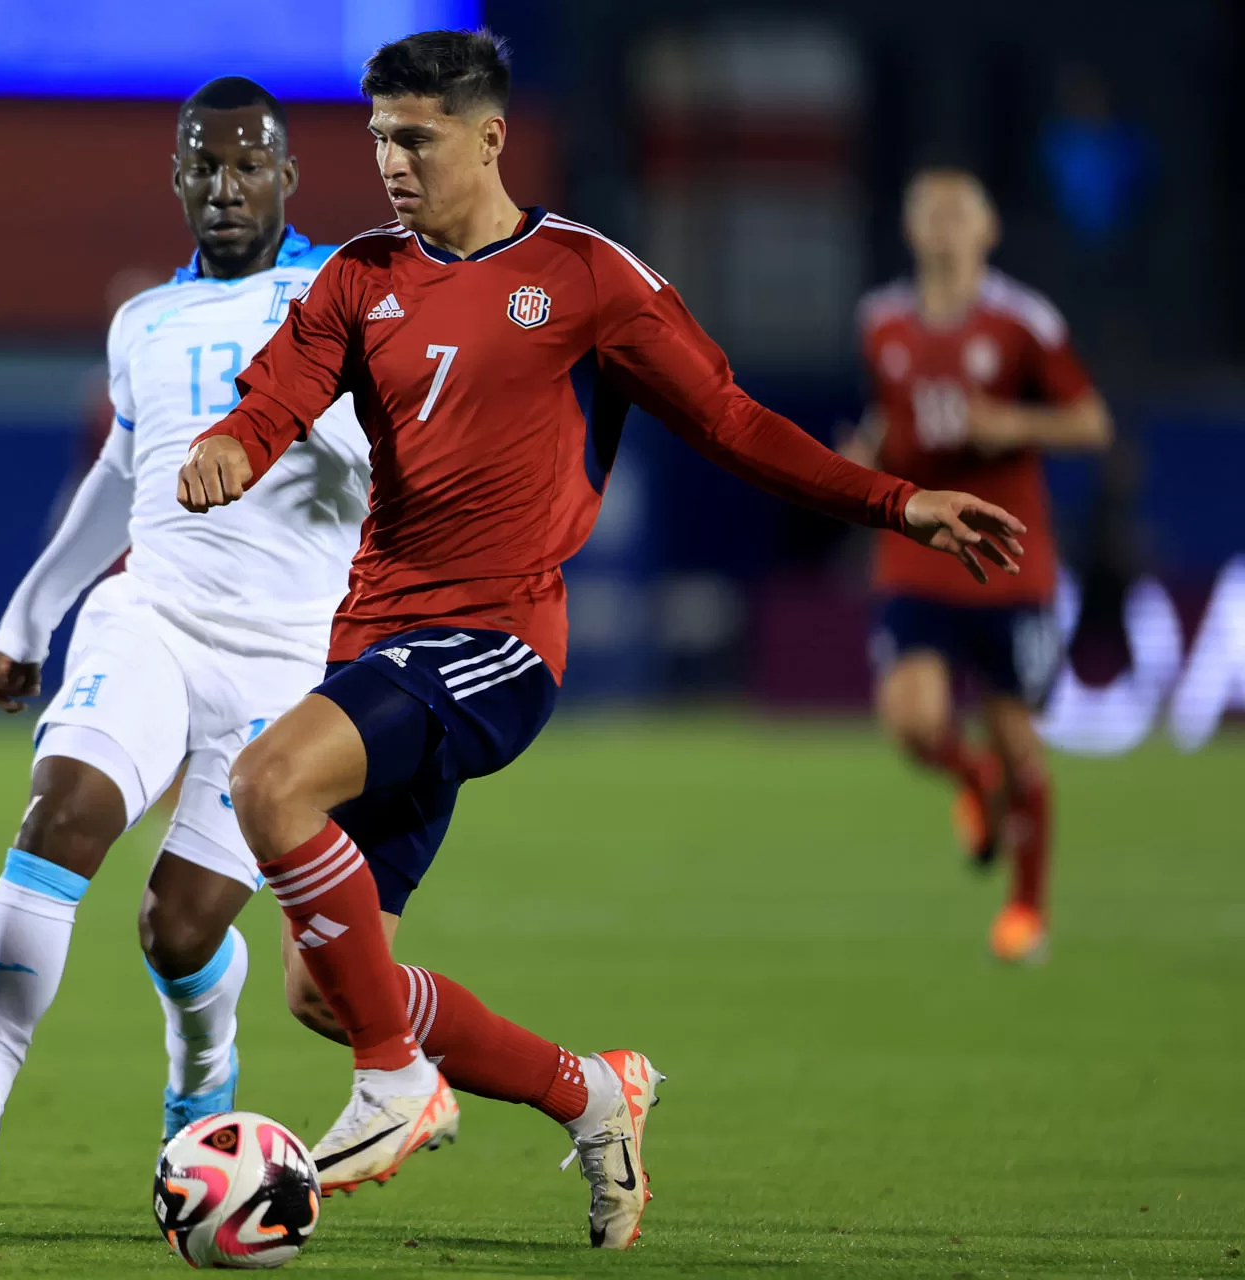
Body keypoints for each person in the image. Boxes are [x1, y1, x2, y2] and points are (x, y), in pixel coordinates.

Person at [176, 31, 1026, 1249]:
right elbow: (273, 399)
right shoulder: (358, 278)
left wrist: (898, 500)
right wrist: (228, 449)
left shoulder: (584, 275)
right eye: (376, 139)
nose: (391, 163)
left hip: (499, 637)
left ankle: (397, 1082)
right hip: (374, 646)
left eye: (415, 138)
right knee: (326, 983)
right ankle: (593, 1093)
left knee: (267, 781)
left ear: (489, 137)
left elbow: (731, 420)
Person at [0, 78, 372, 1215]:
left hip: (287, 662)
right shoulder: (144, 324)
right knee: (59, 818)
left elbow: (396, 457)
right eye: (203, 166)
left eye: (248, 164)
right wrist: (32, 612)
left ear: (286, 175)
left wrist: (351, 441)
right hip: (150, 618)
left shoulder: (344, 294)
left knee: (179, 925)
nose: (225, 186)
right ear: (175, 177)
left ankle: (202, 1077)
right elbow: (120, 479)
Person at [844, 169, 1112, 964]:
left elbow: (1091, 422)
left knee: (1017, 735)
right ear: (911, 227)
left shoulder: (1023, 321)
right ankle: (974, 779)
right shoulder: (881, 322)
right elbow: (888, 417)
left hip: (1008, 557)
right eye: (930, 210)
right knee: (909, 717)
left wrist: (1012, 422)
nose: (944, 225)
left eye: (960, 211)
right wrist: (865, 452)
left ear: (988, 229)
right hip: (919, 551)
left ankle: (1027, 910)